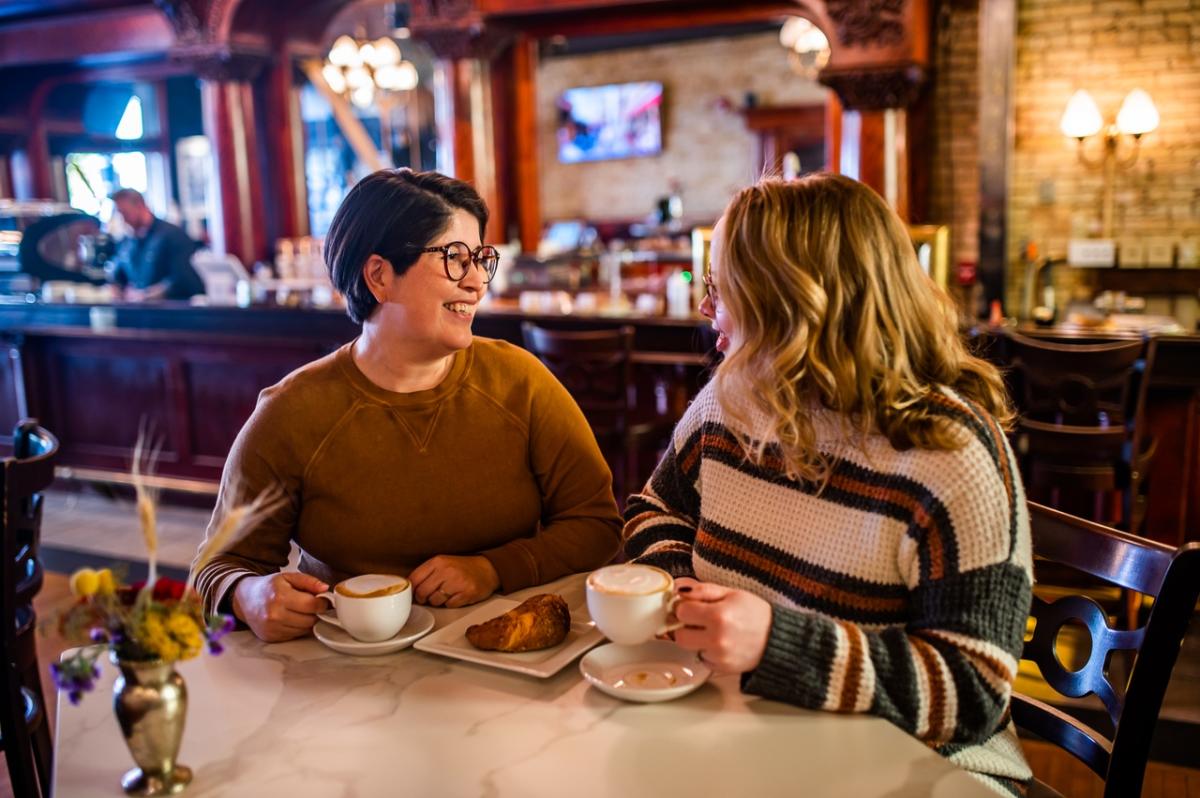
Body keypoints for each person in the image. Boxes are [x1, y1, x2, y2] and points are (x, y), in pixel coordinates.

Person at [623, 174, 1033, 797]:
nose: (707, 310)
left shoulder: (952, 455)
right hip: (752, 729)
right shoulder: (728, 403)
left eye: (722, 289)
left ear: (792, 302)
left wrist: (778, 646)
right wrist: (681, 588)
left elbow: (971, 690)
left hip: (924, 769)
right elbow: (656, 509)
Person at [192, 169, 622, 642]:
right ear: (379, 275)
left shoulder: (520, 382)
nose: (477, 282)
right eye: (454, 259)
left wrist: (493, 569)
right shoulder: (292, 412)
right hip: (347, 672)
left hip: (506, 659)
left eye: (480, 259)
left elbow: (598, 524)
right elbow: (216, 569)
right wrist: (249, 595)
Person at [109, 188, 205, 301]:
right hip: (139, 312)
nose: (123, 219)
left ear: (140, 206)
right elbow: (119, 277)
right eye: (120, 214)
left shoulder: (172, 235)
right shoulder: (126, 242)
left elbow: (183, 279)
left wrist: (146, 295)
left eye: (125, 213)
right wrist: (116, 289)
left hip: (170, 311)